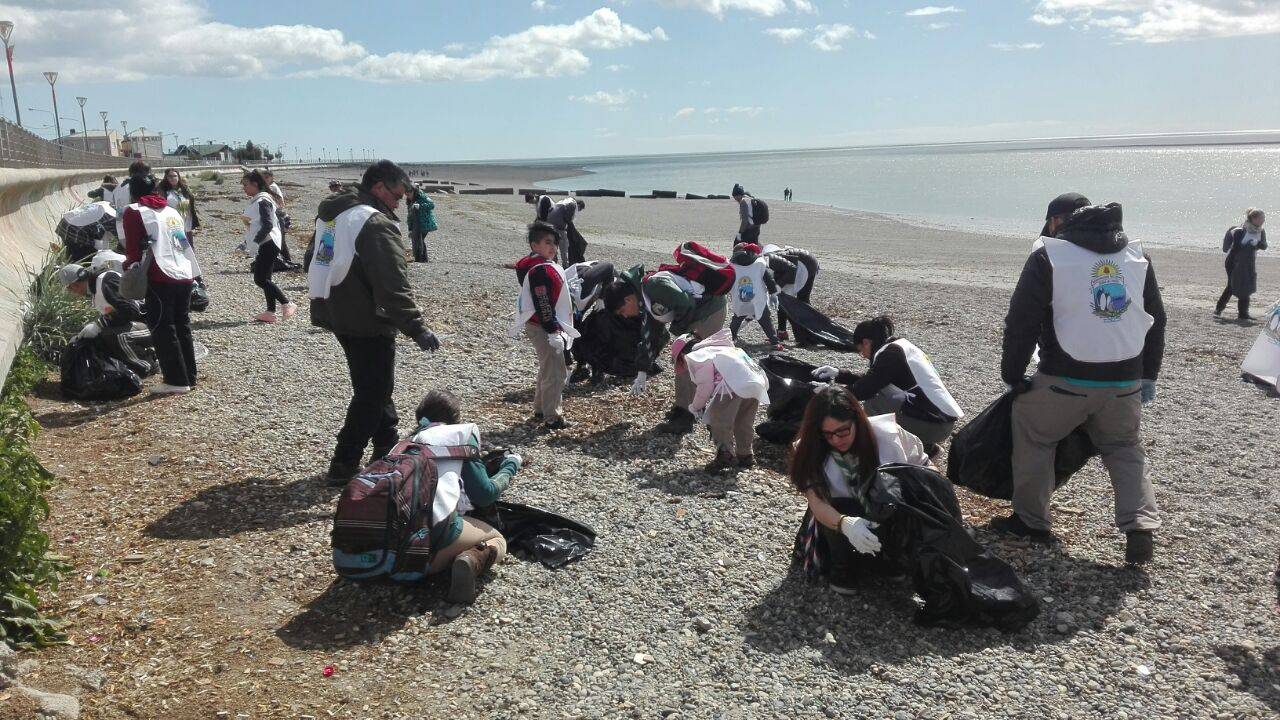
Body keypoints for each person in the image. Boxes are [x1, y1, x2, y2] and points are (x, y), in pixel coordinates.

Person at [997, 199, 1166, 564]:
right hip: (1125, 378)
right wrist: (1148, 374)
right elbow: (1156, 319)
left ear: (1058, 222)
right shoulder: (1137, 256)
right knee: (1124, 447)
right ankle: (1140, 524)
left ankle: (1031, 521)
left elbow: (1021, 322)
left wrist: (1013, 375)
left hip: (1066, 376)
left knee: (1034, 433)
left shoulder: (1049, 257)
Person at [309, 159, 441, 484]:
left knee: (373, 384)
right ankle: (344, 462)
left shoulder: (333, 214)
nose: (398, 203)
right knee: (372, 391)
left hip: (336, 310)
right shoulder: (374, 223)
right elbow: (391, 284)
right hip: (366, 319)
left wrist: (330, 298)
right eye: (396, 195)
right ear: (379, 187)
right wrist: (416, 326)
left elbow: (316, 258)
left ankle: (385, 444)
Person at [787, 384, 929, 594]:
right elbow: (817, 503)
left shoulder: (890, 436)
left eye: (843, 431)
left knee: (901, 496)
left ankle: (890, 556)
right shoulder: (810, 450)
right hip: (835, 517)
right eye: (828, 434)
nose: (836, 440)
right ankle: (843, 567)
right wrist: (845, 524)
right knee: (841, 506)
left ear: (857, 420)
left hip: (885, 508)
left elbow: (926, 472)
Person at [408, 389, 522, 604]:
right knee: (497, 539)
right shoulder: (458, 439)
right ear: (455, 419)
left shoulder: (403, 444)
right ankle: (470, 559)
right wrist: (510, 467)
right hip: (421, 552)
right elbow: (484, 495)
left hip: (385, 544)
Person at [811, 316, 963, 457]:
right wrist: (838, 374)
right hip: (939, 419)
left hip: (936, 425)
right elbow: (872, 380)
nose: (863, 355)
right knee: (882, 395)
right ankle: (926, 447)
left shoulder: (890, 356)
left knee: (874, 402)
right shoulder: (899, 347)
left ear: (866, 342)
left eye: (861, 350)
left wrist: (830, 392)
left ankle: (889, 451)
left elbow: (864, 390)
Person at [122, 170, 199, 394]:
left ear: (132, 192)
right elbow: (182, 242)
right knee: (182, 324)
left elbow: (133, 249)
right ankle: (189, 375)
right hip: (184, 271)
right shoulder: (171, 210)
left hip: (160, 274)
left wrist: (129, 268)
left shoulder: (134, 211)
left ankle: (176, 380)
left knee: (162, 327)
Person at [626, 264, 728, 434]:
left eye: (622, 310)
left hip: (709, 311)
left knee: (688, 362)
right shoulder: (647, 297)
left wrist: (679, 332)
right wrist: (642, 370)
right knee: (685, 361)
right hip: (703, 310)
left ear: (628, 299)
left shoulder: (654, 286)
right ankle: (687, 408)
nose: (625, 315)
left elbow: (685, 303)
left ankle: (685, 417)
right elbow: (652, 332)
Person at [510, 221, 579, 430]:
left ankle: (541, 408)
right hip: (542, 325)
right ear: (534, 245)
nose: (553, 247)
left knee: (547, 367)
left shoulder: (536, 266)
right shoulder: (540, 271)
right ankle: (552, 417)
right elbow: (543, 302)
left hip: (537, 323)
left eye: (555, 243)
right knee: (556, 372)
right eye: (548, 242)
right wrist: (552, 330)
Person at [677, 329, 770, 472]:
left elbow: (705, 387)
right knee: (744, 421)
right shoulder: (723, 348)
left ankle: (726, 454)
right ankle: (745, 454)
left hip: (730, 387)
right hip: (755, 382)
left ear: (684, 355)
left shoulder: (699, 356)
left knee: (719, 421)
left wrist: (695, 407)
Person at [58, 263, 153, 377]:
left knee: (117, 335)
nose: (73, 293)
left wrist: (100, 324)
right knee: (101, 337)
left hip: (152, 326)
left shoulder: (105, 281)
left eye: (70, 289)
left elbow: (130, 310)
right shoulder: (95, 287)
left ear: (75, 285)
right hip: (139, 325)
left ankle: (147, 367)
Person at [570, 278, 659, 384]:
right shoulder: (609, 310)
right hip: (610, 338)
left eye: (623, 311)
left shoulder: (647, 306)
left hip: (629, 352)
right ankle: (590, 367)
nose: (625, 315)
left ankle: (596, 367)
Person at [241, 170, 295, 323]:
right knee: (267, 278)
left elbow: (268, 224)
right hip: (269, 242)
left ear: (255, 184)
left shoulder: (262, 200)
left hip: (268, 242)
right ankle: (270, 312)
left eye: (246, 185)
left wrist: (256, 241)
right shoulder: (259, 200)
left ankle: (287, 303)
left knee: (260, 279)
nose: (244, 188)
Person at [727, 242, 783, 350]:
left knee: (737, 319)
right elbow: (769, 279)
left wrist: (725, 293)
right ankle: (775, 342)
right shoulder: (760, 263)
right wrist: (773, 294)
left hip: (740, 298)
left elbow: (728, 281)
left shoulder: (731, 265)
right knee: (765, 320)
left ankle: (731, 339)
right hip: (758, 298)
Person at [1216, 208, 1267, 321]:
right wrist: (1250, 245)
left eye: (1264, 218)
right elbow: (1235, 248)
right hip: (1233, 261)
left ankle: (1243, 314)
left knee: (1246, 287)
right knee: (1232, 286)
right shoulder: (1240, 231)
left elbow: (1264, 246)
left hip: (1248, 263)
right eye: (1261, 218)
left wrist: (1257, 243)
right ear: (1254, 218)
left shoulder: (1261, 231)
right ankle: (1218, 309)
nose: (1263, 220)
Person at [764, 244, 820, 345]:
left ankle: (810, 335)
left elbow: (791, 269)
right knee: (789, 299)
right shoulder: (762, 263)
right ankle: (783, 332)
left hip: (804, 265)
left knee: (792, 301)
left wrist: (778, 286)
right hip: (805, 262)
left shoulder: (769, 261)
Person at [537, 196, 587, 266]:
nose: (578, 211)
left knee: (553, 244)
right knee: (564, 246)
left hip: (549, 223)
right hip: (558, 226)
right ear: (578, 205)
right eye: (579, 209)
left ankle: (553, 261)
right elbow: (568, 218)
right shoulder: (572, 205)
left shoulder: (565, 201)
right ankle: (565, 264)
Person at [158, 168, 200, 244]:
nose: (173, 178)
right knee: (179, 243)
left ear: (178, 177)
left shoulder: (184, 188)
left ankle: (190, 251)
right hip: (173, 221)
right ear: (166, 178)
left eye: (175, 176)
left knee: (189, 242)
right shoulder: (163, 190)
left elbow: (191, 201)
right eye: (170, 176)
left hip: (186, 218)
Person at [406, 184, 438, 263]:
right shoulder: (410, 200)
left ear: (414, 191)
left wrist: (420, 206)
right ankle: (422, 259)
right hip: (416, 224)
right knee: (418, 240)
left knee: (419, 240)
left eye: (409, 192)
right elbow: (410, 216)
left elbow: (431, 205)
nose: (407, 194)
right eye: (406, 192)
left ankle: (420, 259)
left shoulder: (422, 196)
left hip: (425, 223)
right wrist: (410, 228)